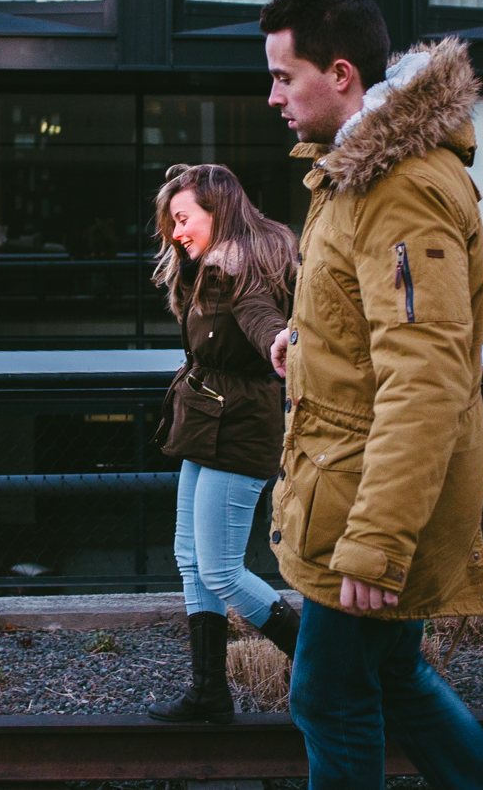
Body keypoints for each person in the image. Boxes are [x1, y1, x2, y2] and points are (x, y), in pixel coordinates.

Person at [260, 0, 483, 790]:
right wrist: (301, 343)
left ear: (340, 73)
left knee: (328, 692)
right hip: (357, 481)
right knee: (395, 680)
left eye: (283, 75)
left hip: (370, 500)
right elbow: (373, 327)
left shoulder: (397, 186)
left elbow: (426, 376)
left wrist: (376, 544)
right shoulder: (356, 175)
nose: (272, 97)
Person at [146, 163, 303, 725]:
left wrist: (279, 343)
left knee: (221, 571)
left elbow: (262, 318)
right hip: (206, 422)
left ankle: (328, 666)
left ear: (219, 211)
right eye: (171, 223)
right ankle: (210, 695)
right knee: (191, 561)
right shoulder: (206, 269)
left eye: (184, 219)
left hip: (239, 425)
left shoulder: (243, 268)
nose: (176, 232)